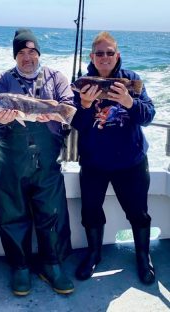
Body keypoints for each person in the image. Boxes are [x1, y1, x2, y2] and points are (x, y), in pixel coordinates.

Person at [0, 28, 74, 295]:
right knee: (12, 213)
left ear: (39, 54)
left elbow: (70, 106)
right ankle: (20, 266)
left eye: (32, 52)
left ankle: (52, 264)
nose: (27, 57)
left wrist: (56, 114)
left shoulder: (56, 78)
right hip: (11, 161)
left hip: (47, 161)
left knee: (51, 212)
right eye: (21, 53)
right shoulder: (2, 82)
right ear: (15, 56)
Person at [71, 32, 156, 284]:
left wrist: (130, 102)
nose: (105, 57)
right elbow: (77, 124)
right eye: (100, 53)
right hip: (94, 163)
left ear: (117, 55)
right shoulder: (82, 83)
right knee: (90, 211)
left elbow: (148, 115)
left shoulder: (131, 80)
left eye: (110, 53)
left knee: (138, 212)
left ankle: (143, 256)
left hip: (130, 162)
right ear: (92, 57)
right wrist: (85, 105)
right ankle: (94, 254)